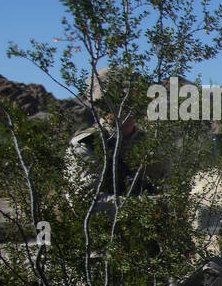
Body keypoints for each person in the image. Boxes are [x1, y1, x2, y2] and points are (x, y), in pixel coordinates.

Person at [66, 66, 164, 207]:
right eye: (122, 99)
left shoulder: (148, 143)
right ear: (104, 103)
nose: (130, 106)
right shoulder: (86, 144)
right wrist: (144, 206)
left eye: (134, 98)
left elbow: (166, 185)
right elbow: (82, 203)